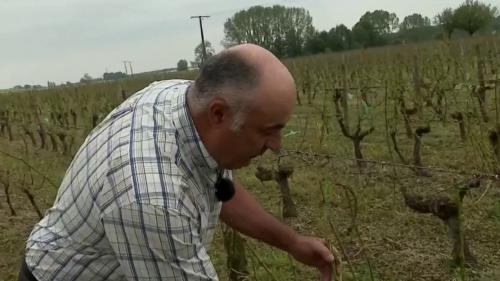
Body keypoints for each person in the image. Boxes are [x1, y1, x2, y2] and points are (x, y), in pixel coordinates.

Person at [20, 44, 335, 281]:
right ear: (218, 114)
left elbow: (217, 189)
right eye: (268, 131)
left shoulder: (180, 98)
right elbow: (157, 204)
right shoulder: (153, 198)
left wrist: (292, 242)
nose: (277, 145)